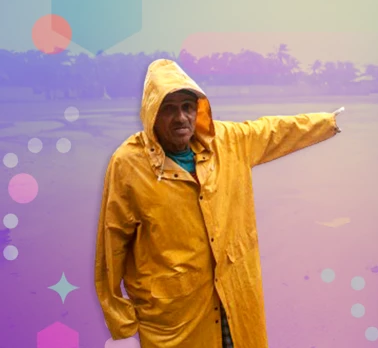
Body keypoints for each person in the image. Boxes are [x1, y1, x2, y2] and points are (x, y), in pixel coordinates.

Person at [94, 59, 344, 348]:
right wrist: (122, 327)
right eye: (169, 108)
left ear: (198, 109)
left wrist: (328, 123)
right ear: (152, 114)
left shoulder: (227, 143)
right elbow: (111, 245)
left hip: (233, 295)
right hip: (175, 316)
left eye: (187, 107)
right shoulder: (128, 164)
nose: (181, 118)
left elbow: (273, 130)